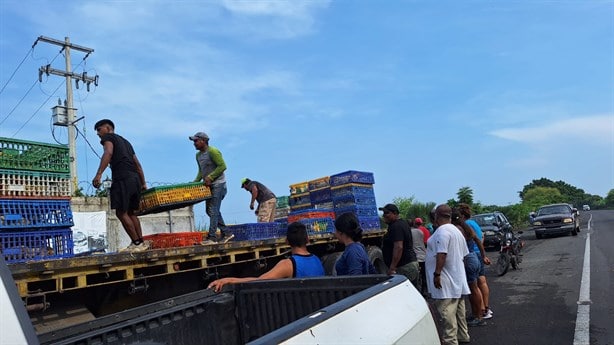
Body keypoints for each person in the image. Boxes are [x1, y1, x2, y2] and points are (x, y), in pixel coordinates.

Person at [208, 222, 325, 292]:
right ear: (308, 240)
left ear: (287, 241)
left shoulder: (288, 264)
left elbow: (259, 281)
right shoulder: (317, 260)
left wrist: (228, 280)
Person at [92, 119, 148, 252]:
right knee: (131, 212)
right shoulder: (126, 142)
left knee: (121, 212)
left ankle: (136, 242)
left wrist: (99, 174)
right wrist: (143, 183)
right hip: (134, 179)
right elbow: (137, 165)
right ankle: (141, 243)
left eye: (99, 130)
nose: (98, 134)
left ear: (107, 128)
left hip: (122, 178)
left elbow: (108, 153)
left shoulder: (108, 137)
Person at [426, 204, 471, 345]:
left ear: (437, 216)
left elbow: (442, 254)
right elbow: (463, 256)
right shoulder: (457, 231)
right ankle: (463, 337)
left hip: (445, 283)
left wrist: (437, 274)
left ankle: (451, 341)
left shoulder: (442, 232)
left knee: (447, 315)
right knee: (459, 313)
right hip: (457, 280)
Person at [451, 208, 491, 327]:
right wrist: (483, 256)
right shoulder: (466, 228)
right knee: (474, 288)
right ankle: (476, 314)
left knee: (473, 289)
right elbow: (478, 240)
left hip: (467, 259)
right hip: (474, 257)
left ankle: (478, 316)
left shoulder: (457, 230)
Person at [189, 132, 229, 244]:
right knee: (209, 210)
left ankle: (212, 238)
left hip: (219, 184)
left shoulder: (213, 151)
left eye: (196, 141)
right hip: (208, 186)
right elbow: (201, 171)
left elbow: (223, 166)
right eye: (194, 141)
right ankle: (227, 233)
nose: (194, 143)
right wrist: (195, 182)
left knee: (213, 210)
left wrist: (211, 177)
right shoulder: (198, 156)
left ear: (204, 141)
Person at [379, 204, 419, 287]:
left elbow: (398, 247)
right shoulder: (401, 224)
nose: (384, 215)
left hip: (404, 266)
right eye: (383, 213)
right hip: (408, 264)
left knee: (405, 292)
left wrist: (392, 267)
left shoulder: (396, 226)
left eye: (386, 213)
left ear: (395, 213)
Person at [408, 219, 428, 296]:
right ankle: (424, 290)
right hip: (423, 255)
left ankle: (417, 292)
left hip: (415, 257)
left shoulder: (409, 233)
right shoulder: (420, 231)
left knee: (415, 277)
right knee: (424, 275)